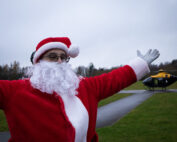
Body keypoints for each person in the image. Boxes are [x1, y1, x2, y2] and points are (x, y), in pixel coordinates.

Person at [0, 37, 160, 142]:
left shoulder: (83, 87)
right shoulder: (16, 91)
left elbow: (114, 79)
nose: (60, 61)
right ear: (39, 62)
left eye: (64, 57)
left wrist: (139, 64)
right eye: (53, 57)